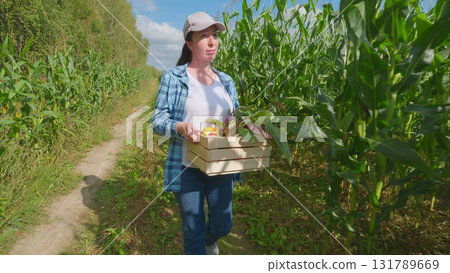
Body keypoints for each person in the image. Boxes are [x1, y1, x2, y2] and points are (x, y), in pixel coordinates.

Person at [152, 11, 242, 255]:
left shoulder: (227, 81)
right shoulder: (174, 78)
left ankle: (209, 240)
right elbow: (158, 119)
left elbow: (236, 119)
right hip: (187, 167)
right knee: (192, 230)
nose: (212, 41)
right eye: (204, 36)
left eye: (214, 35)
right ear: (190, 43)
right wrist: (180, 127)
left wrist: (252, 128)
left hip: (220, 164)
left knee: (224, 225)